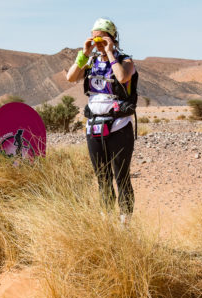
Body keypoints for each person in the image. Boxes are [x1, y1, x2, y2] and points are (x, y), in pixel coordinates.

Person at [66, 17, 138, 224]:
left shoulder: (125, 61)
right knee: (102, 178)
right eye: (94, 37)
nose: (98, 41)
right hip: (94, 126)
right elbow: (71, 77)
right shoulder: (90, 63)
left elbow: (123, 77)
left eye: (102, 37)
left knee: (121, 177)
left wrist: (109, 52)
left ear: (113, 38)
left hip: (119, 127)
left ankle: (126, 224)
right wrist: (85, 53)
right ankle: (106, 221)